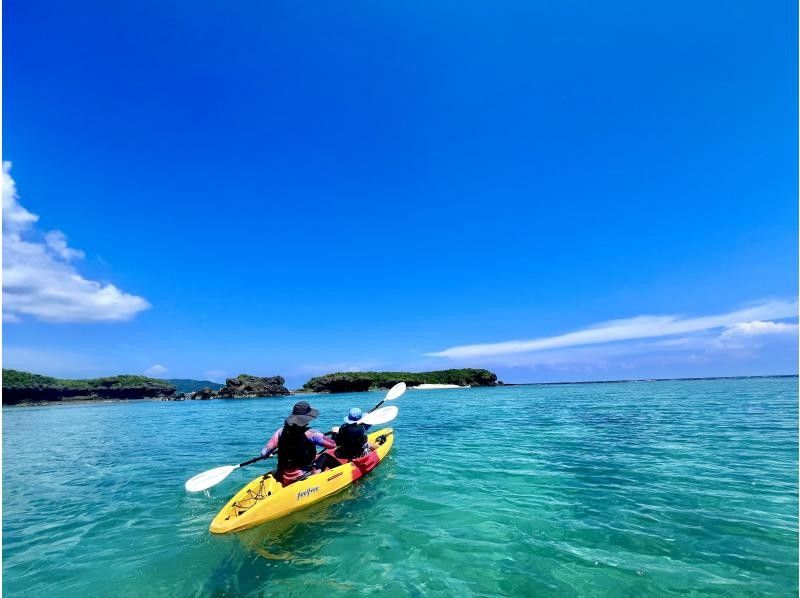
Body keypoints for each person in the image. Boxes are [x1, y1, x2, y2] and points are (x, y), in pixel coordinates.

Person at [260, 401, 336, 486]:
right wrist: (335, 433)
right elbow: (332, 445)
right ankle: (339, 477)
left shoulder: (280, 432)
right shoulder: (311, 434)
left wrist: (268, 454)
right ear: (307, 417)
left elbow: (263, 453)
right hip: (301, 475)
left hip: (282, 474)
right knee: (325, 457)